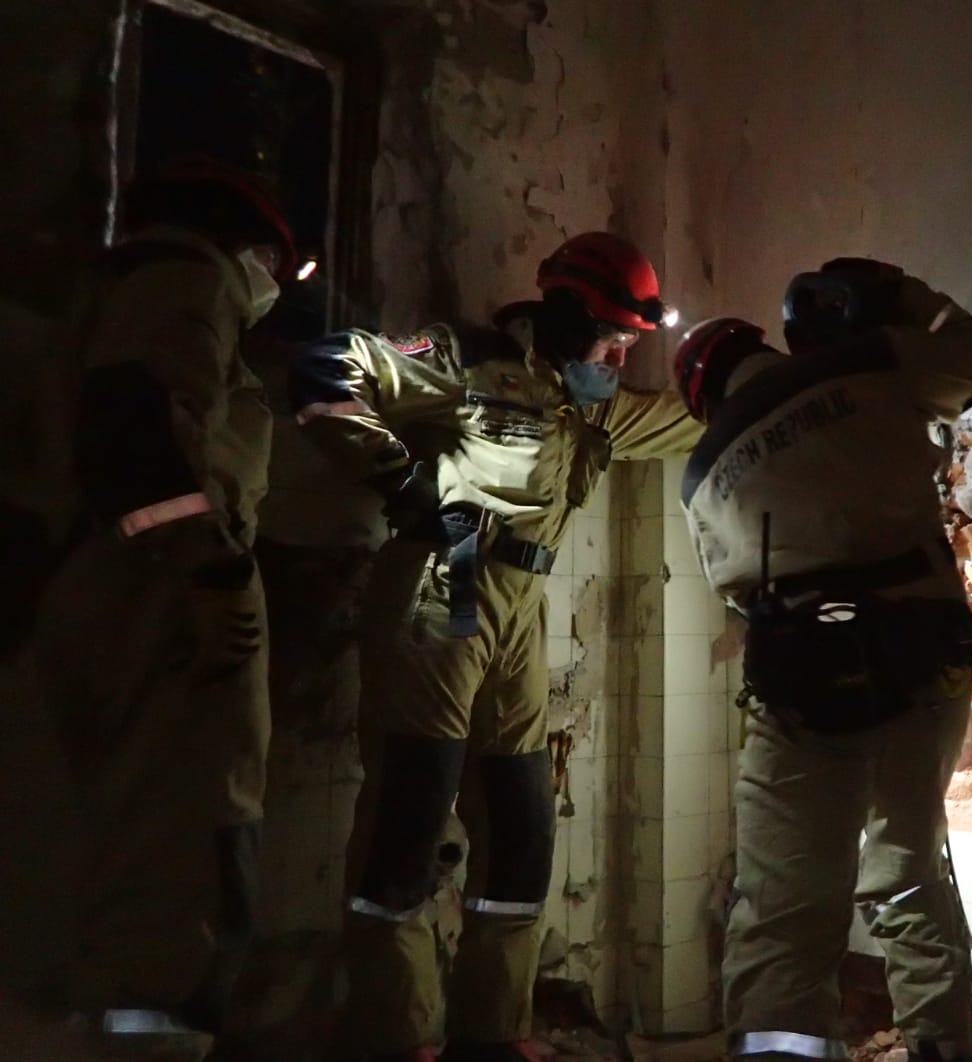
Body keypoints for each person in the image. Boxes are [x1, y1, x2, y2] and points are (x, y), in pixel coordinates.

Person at [287, 232, 702, 1062]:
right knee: (411, 817)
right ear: (568, 314)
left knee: (521, 825)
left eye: (629, 344)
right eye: (612, 339)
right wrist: (402, 481)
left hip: (523, 608)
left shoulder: (593, 405)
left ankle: (493, 1031)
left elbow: (694, 419)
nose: (620, 358)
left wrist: (768, 385)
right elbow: (330, 368)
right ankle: (394, 1034)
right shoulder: (463, 359)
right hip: (448, 585)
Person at [672, 258, 972, 1062]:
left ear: (702, 396)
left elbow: (737, 596)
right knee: (910, 867)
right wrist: (903, 299)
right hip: (924, 661)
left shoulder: (701, 473)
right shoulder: (867, 365)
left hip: (807, 689)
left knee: (784, 911)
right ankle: (942, 1048)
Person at [31, 156, 296, 1059]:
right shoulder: (189, 282)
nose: (273, 285)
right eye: (275, 266)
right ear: (247, 248)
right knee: (186, 855)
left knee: (142, 848)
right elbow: (137, 435)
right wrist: (208, 572)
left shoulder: (113, 293)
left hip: (123, 589)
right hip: (169, 604)